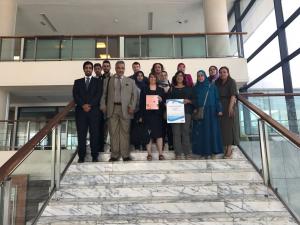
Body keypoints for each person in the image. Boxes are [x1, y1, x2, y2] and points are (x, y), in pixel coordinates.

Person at [100, 61, 138, 161]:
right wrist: (103, 105)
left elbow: (135, 95)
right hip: (112, 109)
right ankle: (115, 155)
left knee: (125, 132)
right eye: (118, 68)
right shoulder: (108, 80)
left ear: (124, 69)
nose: (120, 70)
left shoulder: (130, 81)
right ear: (115, 68)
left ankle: (125, 155)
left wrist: (132, 106)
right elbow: (103, 95)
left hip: (126, 109)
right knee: (113, 132)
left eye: (122, 68)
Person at [73, 61, 102, 163]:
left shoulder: (98, 81)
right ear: (84, 69)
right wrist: (83, 105)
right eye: (86, 68)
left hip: (94, 112)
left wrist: (89, 105)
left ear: (92, 69)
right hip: (81, 112)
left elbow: (98, 95)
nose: (88, 69)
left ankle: (95, 156)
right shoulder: (77, 82)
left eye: (90, 68)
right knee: (81, 135)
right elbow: (76, 96)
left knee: (94, 134)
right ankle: (81, 156)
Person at [192, 70, 223, 159]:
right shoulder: (195, 88)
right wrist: (195, 108)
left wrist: (219, 109)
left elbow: (217, 99)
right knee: (202, 133)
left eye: (202, 75)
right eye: (198, 76)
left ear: (205, 76)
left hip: (212, 112)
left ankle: (213, 152)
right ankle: (203, 152)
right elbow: (194, 99)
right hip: (201, 112)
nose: (200, 77)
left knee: (212, 131)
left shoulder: (212, 86)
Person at [168, 71, 195, 159]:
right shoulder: (171, 89)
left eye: (181, 76)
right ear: (175, 77)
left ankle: (187, 153)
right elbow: (167, 100)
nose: (179, 77)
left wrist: (189, 101)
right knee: (176, 133)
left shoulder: (189, 88)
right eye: (178, 76)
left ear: (184, 78)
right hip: (174, 113)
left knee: (185, 133)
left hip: (186, 112)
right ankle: (178, 154)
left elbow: (194, 100)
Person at [139, 73, 165, 160]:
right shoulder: (144, 89)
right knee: (148, 135)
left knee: (159, 135)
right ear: (149, 78)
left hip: (158, 115)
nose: (152, 78)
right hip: (147, 115)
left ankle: (160, 154)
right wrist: (141, 115)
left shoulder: (161, 90)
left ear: (156, 79)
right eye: (151, 77)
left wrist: (161, 100)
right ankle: (149, 154)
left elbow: (165, 104)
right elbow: (141, 103)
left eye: (154, 77)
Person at [215, 66, 239, 159]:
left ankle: (229, 150)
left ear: (228, 73)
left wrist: (230, 107)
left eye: (224, 72)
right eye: (220, 72)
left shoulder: (231, 81)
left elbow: (233, 95)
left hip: (228, 105)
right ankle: (224, 148)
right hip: (219, 106)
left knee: (228, 128)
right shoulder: (217, 82)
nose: (222, 74)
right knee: (221, 128)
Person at [131, 71, 147, 150]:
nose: (140, 77)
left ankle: (144, 145)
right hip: (135, 110)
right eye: (138, 76)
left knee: (144, 128)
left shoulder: (146, 86)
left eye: (141, 75)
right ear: (135, 77)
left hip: (144, 110)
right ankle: (136, 145)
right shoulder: (133, 86)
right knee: (136, 128)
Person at [158, 70, 173, 150]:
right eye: (161, 75)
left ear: (167, 76)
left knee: (170, 128)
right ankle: (162, 145)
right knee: (162, 129)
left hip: (170, 110)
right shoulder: (156, 87)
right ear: (159, 77)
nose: (163, 77)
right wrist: (163, 103)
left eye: (165, 75)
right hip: (160, 110)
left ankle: (171, 144)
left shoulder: (172, 86)